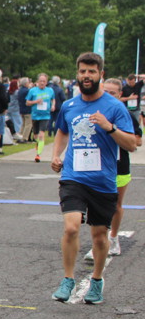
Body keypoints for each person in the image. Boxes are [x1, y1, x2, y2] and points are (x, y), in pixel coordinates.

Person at [50, 53, 136, 305]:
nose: (86, 76)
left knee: (99, 236)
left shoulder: (115, 107)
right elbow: (62, 131)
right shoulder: (69, 105)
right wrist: (56, 155)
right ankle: (68, 279)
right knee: (71, 227)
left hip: (103, 180)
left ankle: (97, 280)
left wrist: (109, 127)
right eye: (82, 71)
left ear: (101, 74)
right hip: (73, 176)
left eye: (91, 71)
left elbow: (131, 144)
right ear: (77, 74)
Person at [83, 78, 142, 261]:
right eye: (105, 91)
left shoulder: (125, 114)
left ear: (120, 94)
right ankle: (98, 243)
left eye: (113, 93)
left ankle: (113, 238)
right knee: (96, 205)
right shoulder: (93, 113)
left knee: (115, 204)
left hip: (119, 165)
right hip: (96, 164)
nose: (108, 95)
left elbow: (137, 141)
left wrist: (113, 131)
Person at [25, 73, 56, 163]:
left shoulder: (50, 90)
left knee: (41, 134)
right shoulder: (32, 91)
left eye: (44, 81)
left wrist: (53, 105)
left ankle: (38, 155)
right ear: (37, 81)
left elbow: (53, 99)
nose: (42, 83)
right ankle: (38, 144)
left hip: (45, 115)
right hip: (35, 115)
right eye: (40, 81)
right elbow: (27, 102)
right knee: (35, 136)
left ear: (46, 82)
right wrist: (36, 102)